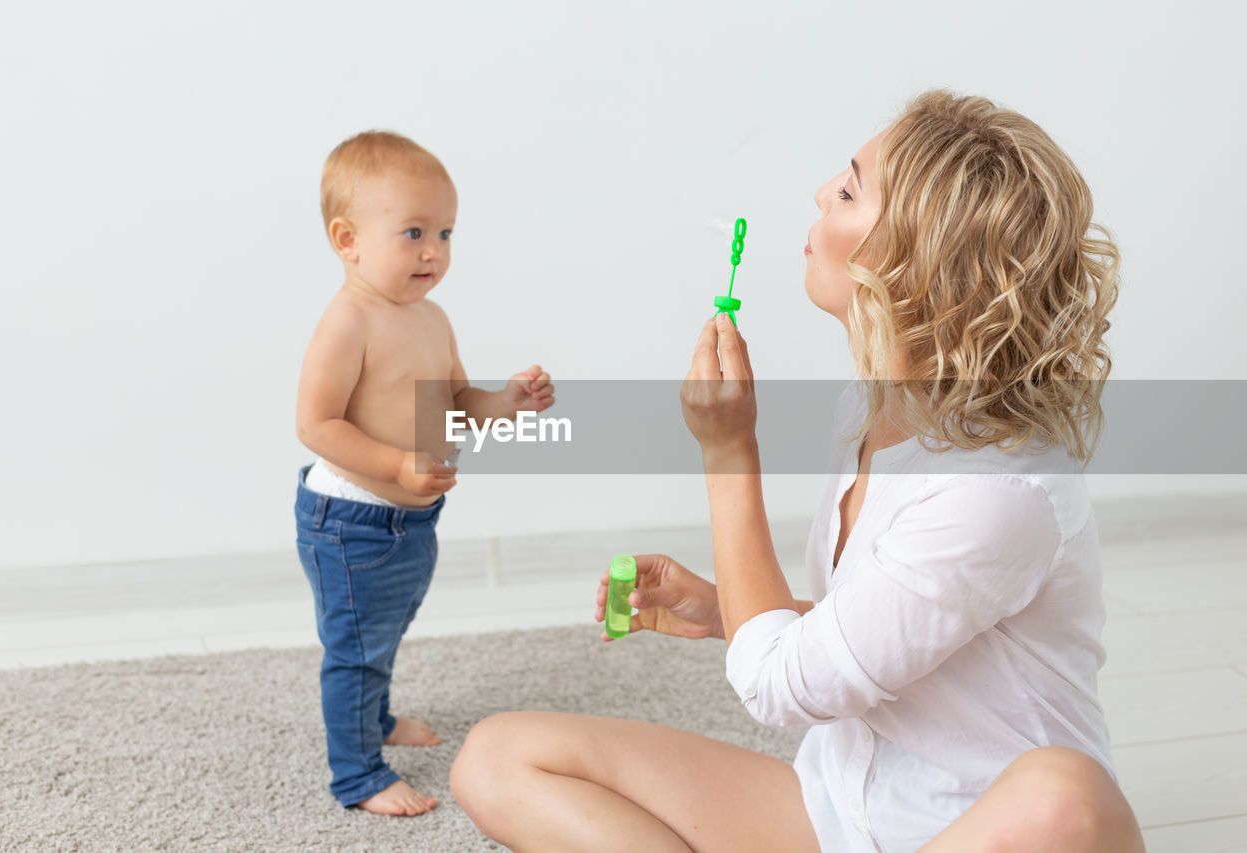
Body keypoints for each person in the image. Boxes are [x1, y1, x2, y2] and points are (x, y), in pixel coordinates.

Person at [449, 91, 1146, 851]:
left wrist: (727, 452)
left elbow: (778, 688)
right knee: (497, 756)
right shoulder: (874, 406)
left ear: (916, 267)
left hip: (981, 830)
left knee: (1066, 793)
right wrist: (729, 612)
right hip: (842, 817)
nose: (820, 192)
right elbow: (895, 619)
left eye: (849, 190)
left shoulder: (1001, 492)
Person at [294, 131, 554, 816]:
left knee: (384, 629)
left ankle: (373, 720)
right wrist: (396, 465)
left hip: (411, 516)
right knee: (355, 648)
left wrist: (509, 402)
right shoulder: (348, 321)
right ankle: (358, 774)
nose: (434, 251)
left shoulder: (432, 316)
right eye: (413, 232)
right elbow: (316, 424)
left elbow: (460, 405)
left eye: (444, 232)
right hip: (352, 518)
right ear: (347, 239)